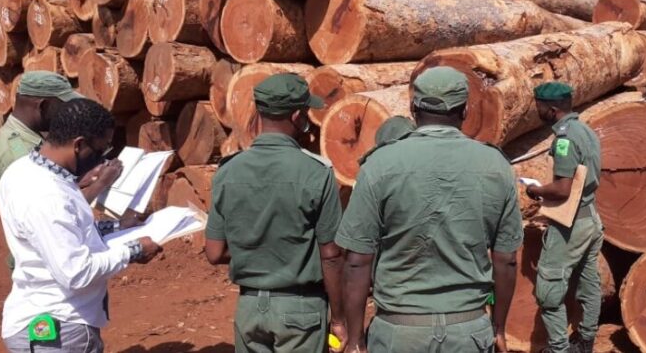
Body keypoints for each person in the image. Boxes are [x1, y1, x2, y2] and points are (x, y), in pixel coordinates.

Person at [336, 66, 523, 353]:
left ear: (413, 109)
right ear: (464, 112)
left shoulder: (380, 164)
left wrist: (355, 337)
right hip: (468, 331)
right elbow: (506, 260)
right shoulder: (496, 166)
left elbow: (357, 261)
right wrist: (498, 327)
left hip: (399, 333)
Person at [0, 98, 162, 353]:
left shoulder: (25, 170)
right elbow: (76, 272)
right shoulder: (46, 195)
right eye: (101, 150)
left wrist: (119, 226)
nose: (102, 159)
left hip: (46, 317)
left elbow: (70, 230)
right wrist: (134, 250)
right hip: (60, 329)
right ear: (79, 145)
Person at [205, 73, 345, 353]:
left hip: (249, 310)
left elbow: (214, 253)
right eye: (305, 112)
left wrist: (258, 250)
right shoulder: (317, 172)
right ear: (296, 116)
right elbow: (331, 255)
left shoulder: (228, 171)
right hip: (300, 309)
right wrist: (339, 319)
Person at [525, 82, 603, 353]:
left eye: (539, 106)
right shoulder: (586, 130)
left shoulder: (565, 139)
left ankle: (559, 349)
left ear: (551, 109)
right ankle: (586, 340)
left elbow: (562, 188)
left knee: (548, 292)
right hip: (591, 218)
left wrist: (535, 190)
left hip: (571, 223)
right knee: (588, 281)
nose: (537, 111)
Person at [0, 71, 121, 200]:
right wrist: (101, 184)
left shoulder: (23, 134)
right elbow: (50, 206)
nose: (68, 112)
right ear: (44, 106)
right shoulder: (19, 153)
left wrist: (77, 181)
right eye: (64, 107)